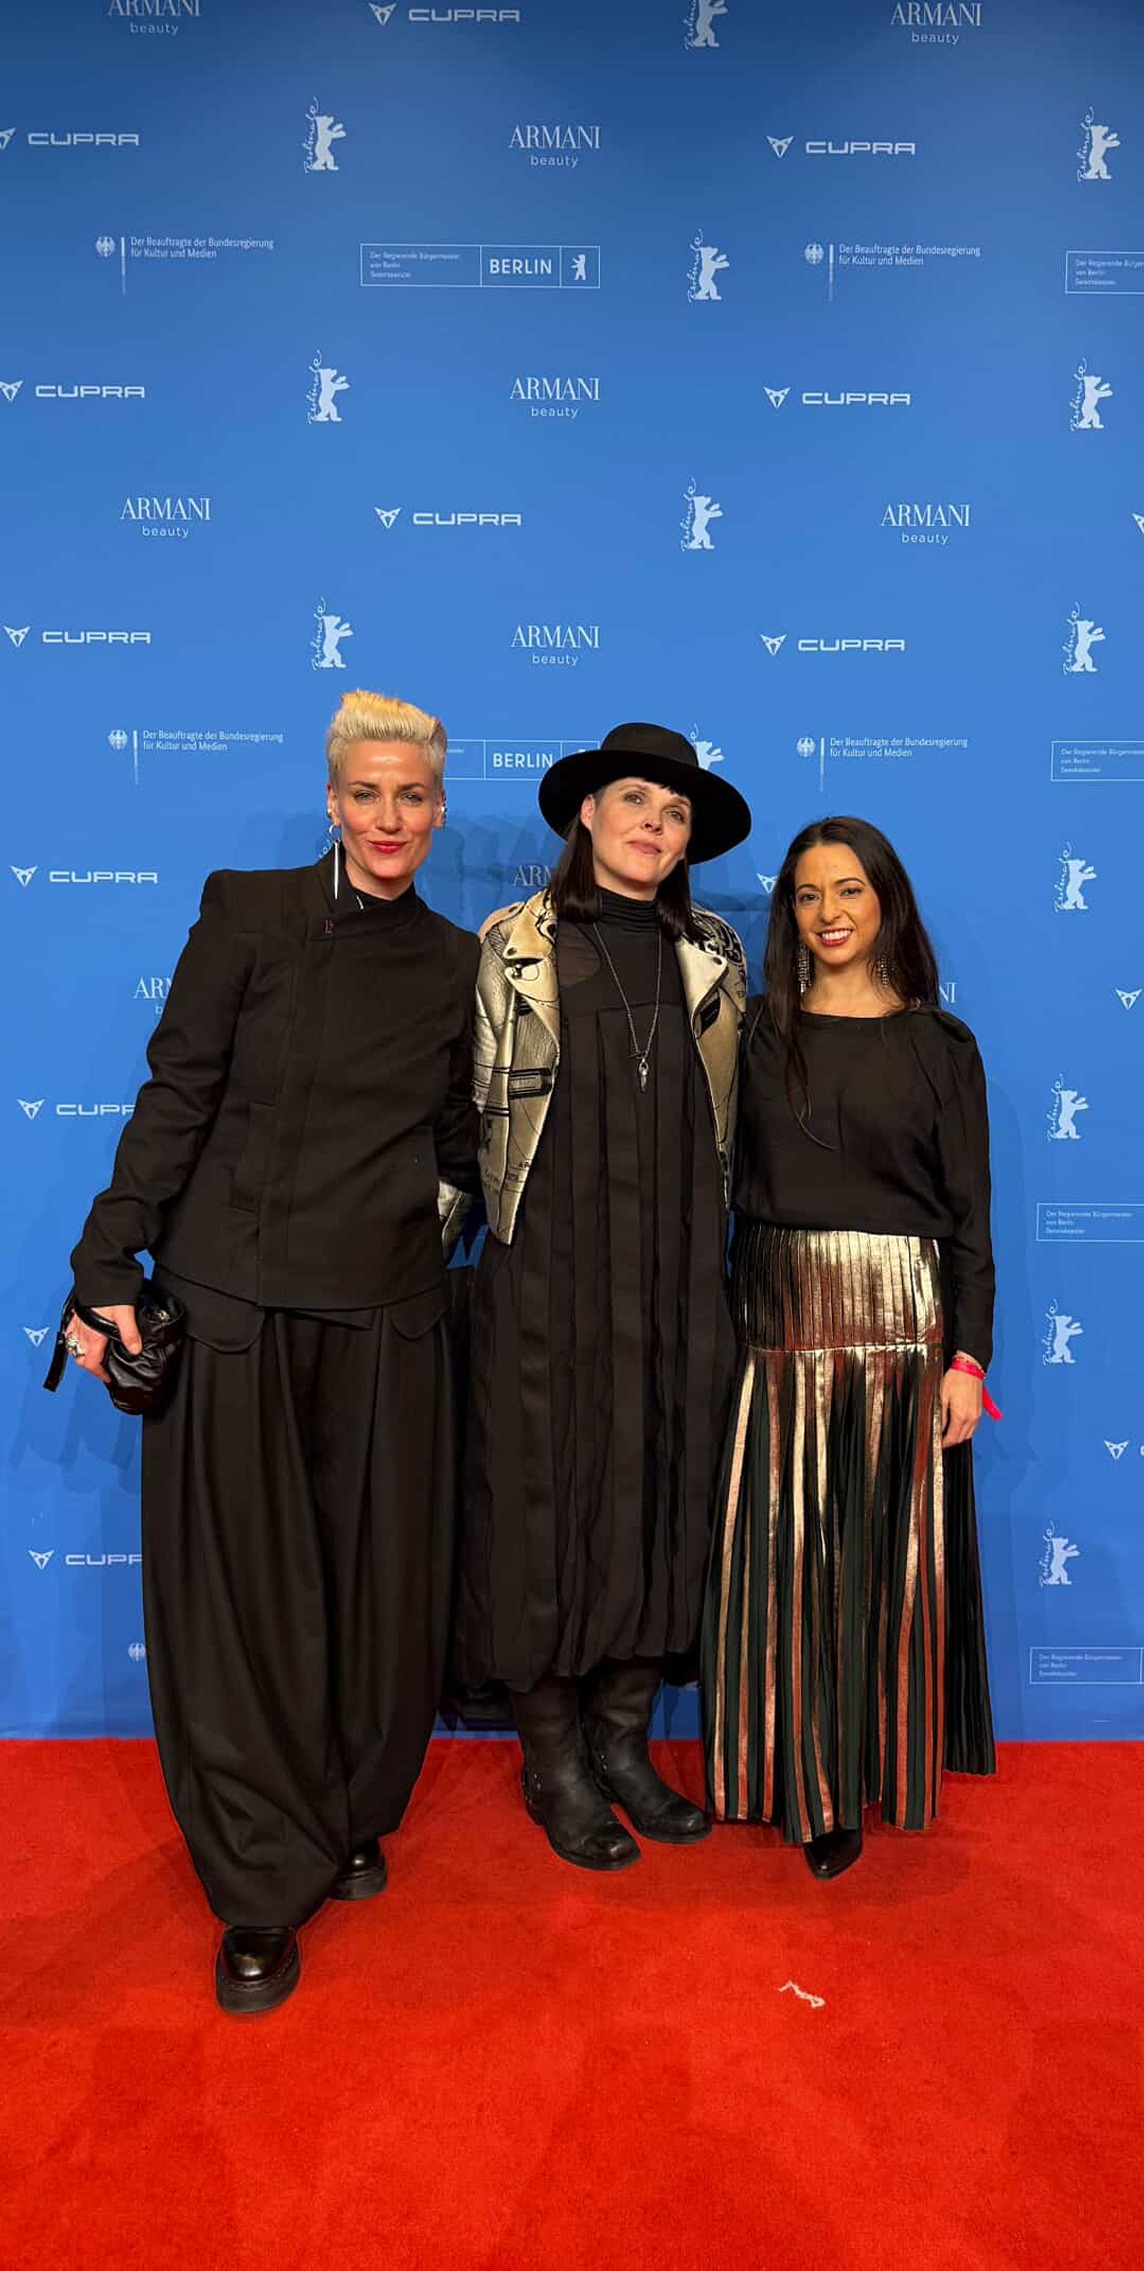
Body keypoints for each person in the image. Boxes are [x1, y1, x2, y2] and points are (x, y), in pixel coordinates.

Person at [60, 691, 479, 2013]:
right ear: (333, 800)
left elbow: (460, 1140)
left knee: (371, 1586)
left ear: (439, 808)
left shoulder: (456, 962)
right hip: (234, 1304)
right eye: (367, 793)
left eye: (411, 795)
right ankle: (255, 1882)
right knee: (244, 1601)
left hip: (385, 1315)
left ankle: (345, 1808)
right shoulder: (246, 912)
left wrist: (430, 1217)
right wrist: (105, 1264)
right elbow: (177, 1091)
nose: (389, 817)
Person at [454, 723, 751, 1870]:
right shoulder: (512, 945)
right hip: (547, 1266)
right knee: (541, 1506)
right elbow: (463, 1111)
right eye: (634, 802)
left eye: (674, 815)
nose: (653, 827)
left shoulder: (715, 953)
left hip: (677, 1268)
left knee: (663, 1491)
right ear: (586, 813)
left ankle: (623, 1744)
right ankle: (553, 1760)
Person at [701, 817, 996, 1879]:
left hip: (902, 1332)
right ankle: (799, 1782)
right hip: (777, 1321)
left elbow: (970, 1220)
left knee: (884, 1565)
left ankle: (874, 1769)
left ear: (886, 903)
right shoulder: (751, 1035)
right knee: (785, 1560)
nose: (828, 913)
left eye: (848, 890)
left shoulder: (939, 1047)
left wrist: (968, 1360)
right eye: (807, 894)